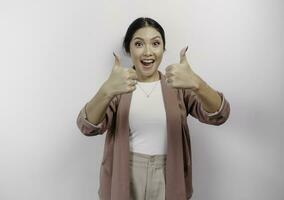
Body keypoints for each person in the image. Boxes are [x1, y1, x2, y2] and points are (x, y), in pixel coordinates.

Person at [76, 17, 230, 200]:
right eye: (139, 44)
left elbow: (219, 115)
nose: (148, 52)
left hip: (168, 175)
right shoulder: (118, 88)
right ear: (128, 49)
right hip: (126, 173)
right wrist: (106, 91)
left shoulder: (178, 86)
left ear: (163, 49)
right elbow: (87, 127)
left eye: (155, 43)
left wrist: (197, 84)